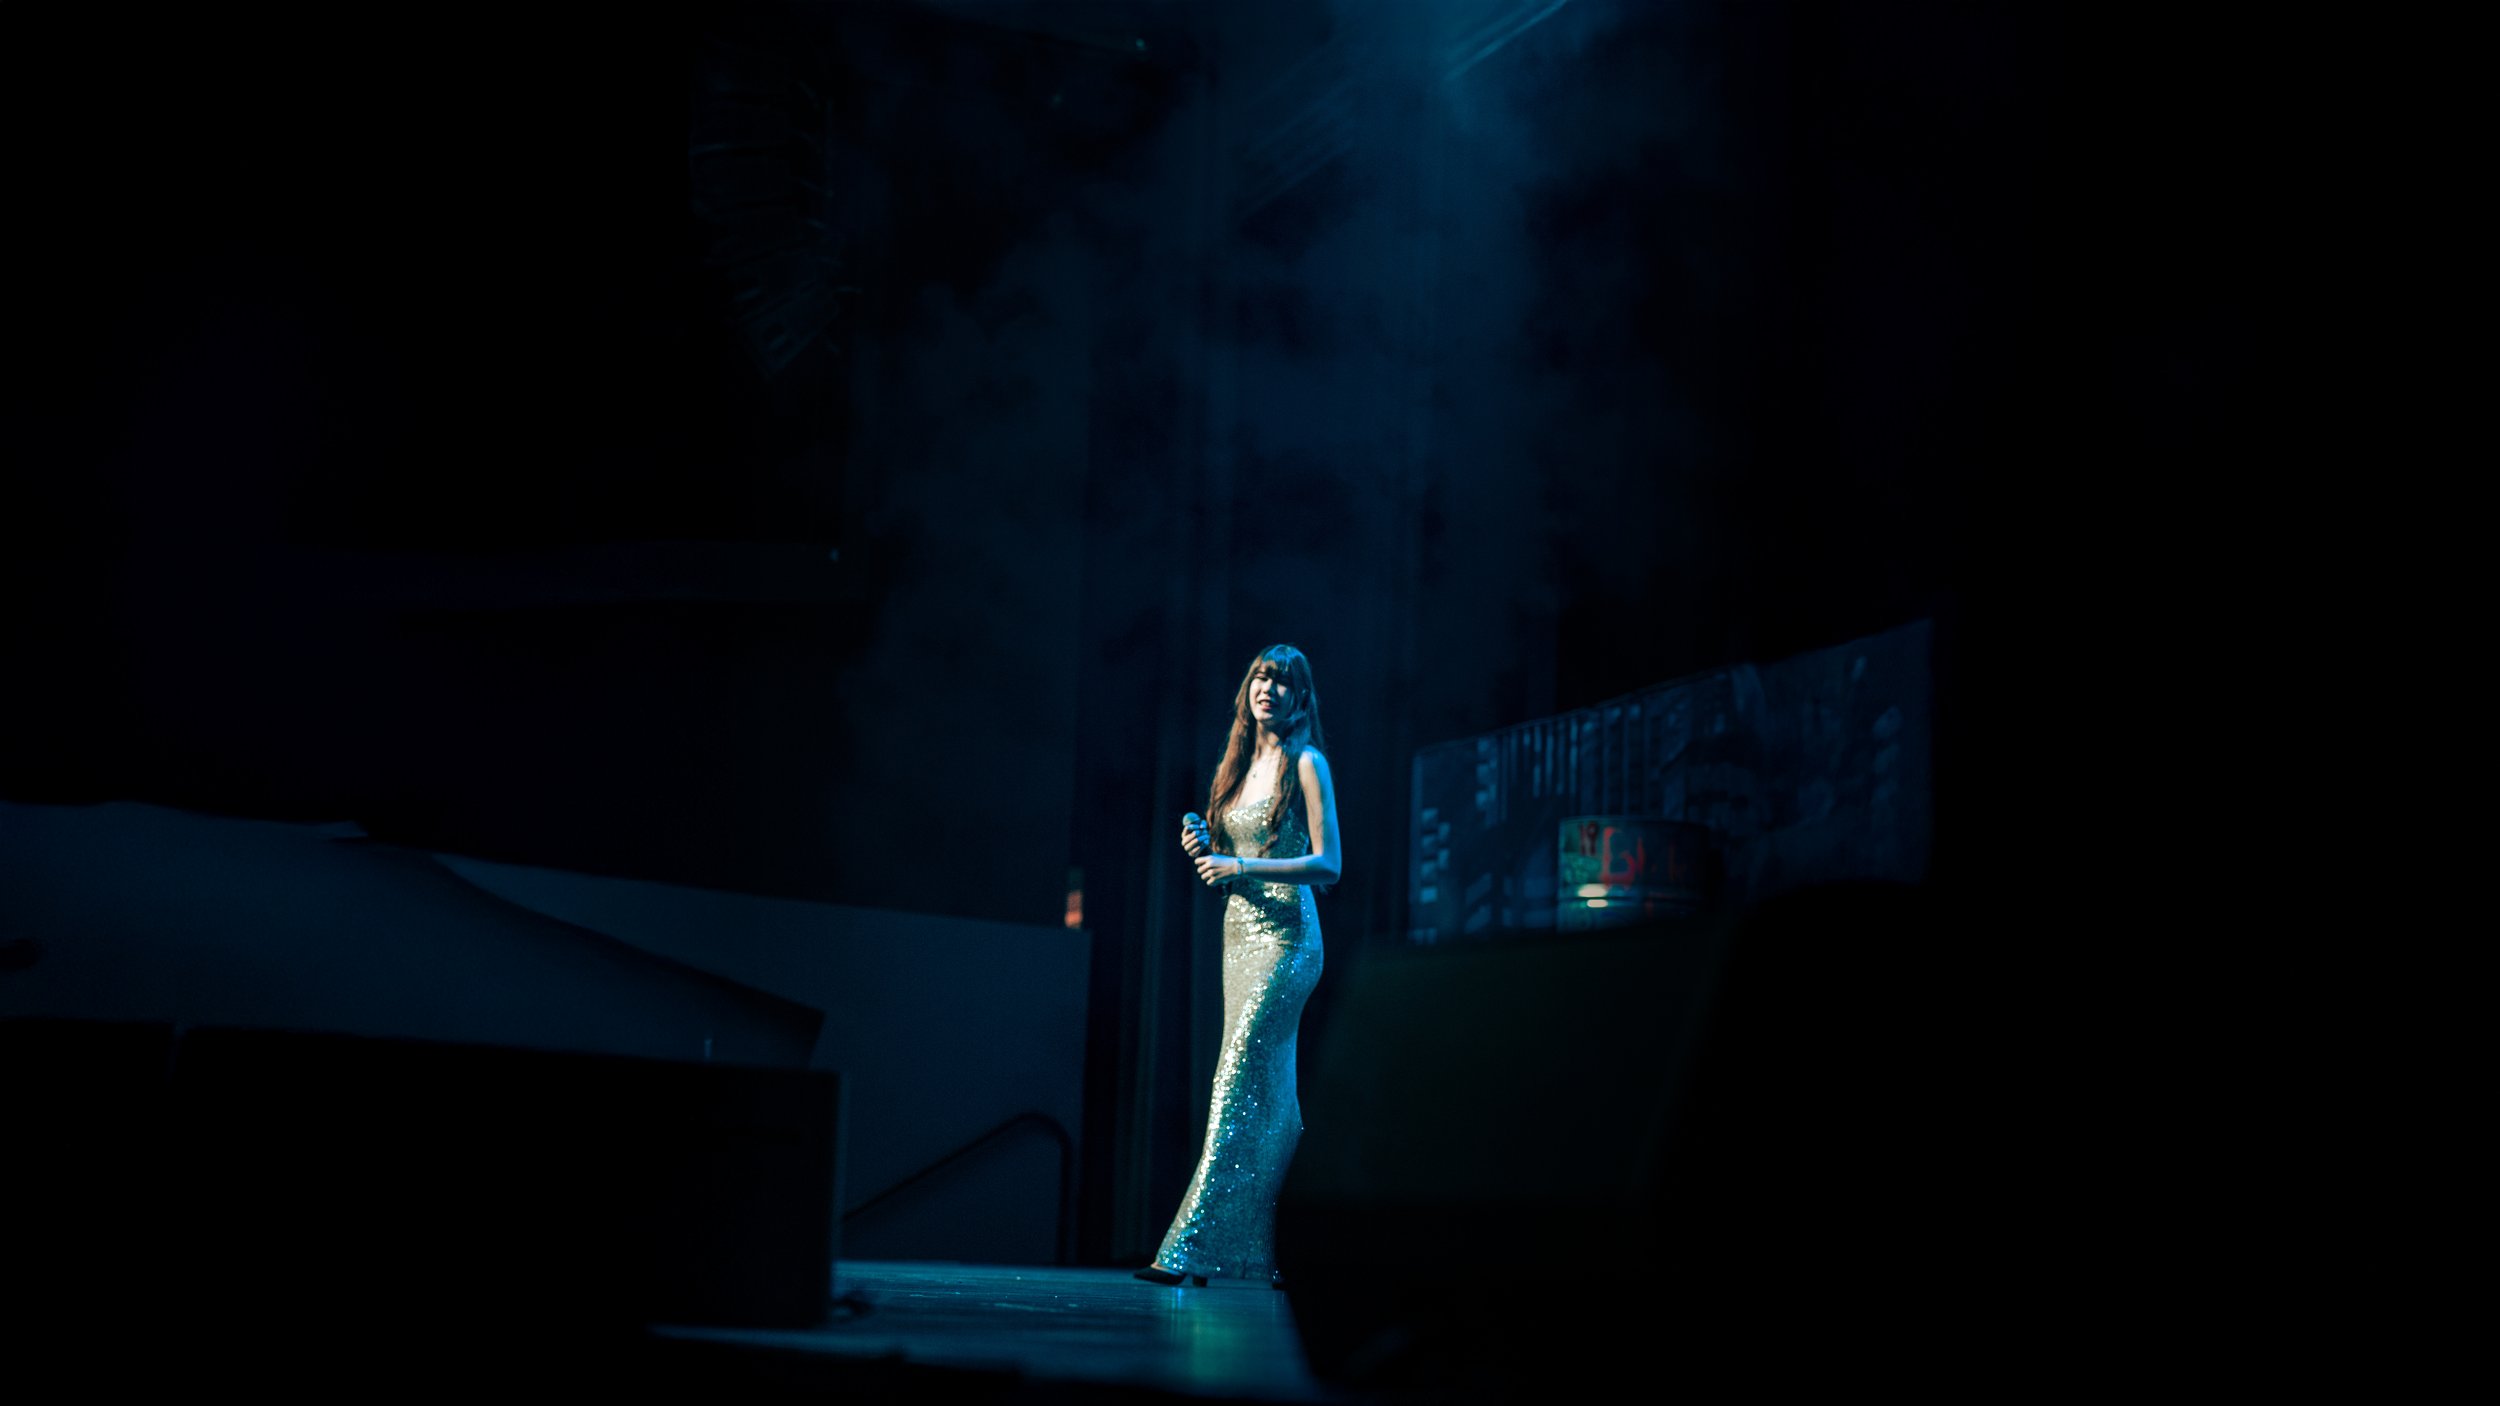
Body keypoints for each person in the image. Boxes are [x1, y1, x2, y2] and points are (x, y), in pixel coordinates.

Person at [1134, 644, 1340, 1290]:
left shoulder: (1307, 762)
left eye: (1282, 681)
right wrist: (1205, 844)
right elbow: (1225, 859)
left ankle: (1190, 1248)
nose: (1268, 689)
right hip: (1239, 938)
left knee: (1235, 1077)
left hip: (1289, 939)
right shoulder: (1240, 766)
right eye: (1260, 677)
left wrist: (1240, 864)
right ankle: (1277, 1249)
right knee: (1273, 1096)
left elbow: (1330, 864)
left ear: (1300, 697)